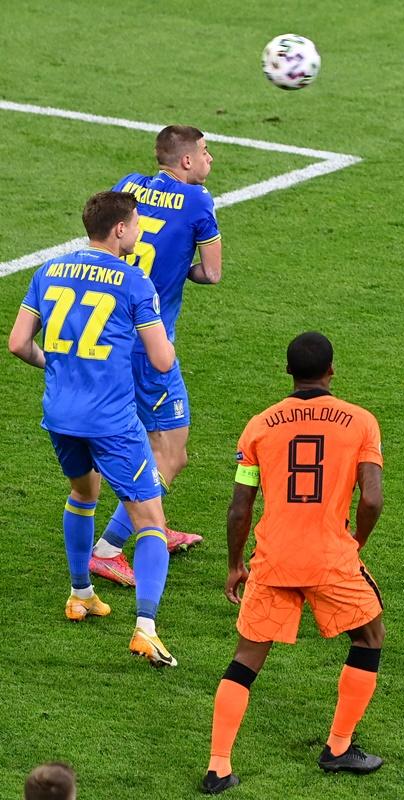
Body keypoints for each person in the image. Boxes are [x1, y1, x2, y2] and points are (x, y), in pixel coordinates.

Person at [202, 332, 386, 795]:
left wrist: (234, 564)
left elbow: (240, 508)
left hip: (274, 559)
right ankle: (339, 747)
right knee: (369, 636)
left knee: (246, 658)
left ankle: (218, 767)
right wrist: (355, 543)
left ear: (288, 372)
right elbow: (373, 499)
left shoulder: (260, 426)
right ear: (332, 371)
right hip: (330, 559)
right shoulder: (361, 422)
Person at [8, 191, 181, 667]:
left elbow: (18, 343)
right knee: (150, 521)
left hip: (60, 414)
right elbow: (163, 360)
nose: (140, 229)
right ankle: (145, 628)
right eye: (138, 222)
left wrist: (55, 366)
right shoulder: (132, 281)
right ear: (120, 229)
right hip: (111, 419)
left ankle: (80, 593)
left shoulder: (49, 270)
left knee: (83, 495)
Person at [88, 125, 222, 587]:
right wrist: (176, 268)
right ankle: (107, 549)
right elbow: (212, 272)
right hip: (151, 343)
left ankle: (155, 526)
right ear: (185, 161)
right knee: (172, 453)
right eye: (205, 153)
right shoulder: (200, 201)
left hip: (113, 335)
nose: (210, 161)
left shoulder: (127, 185)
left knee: (141, 440)